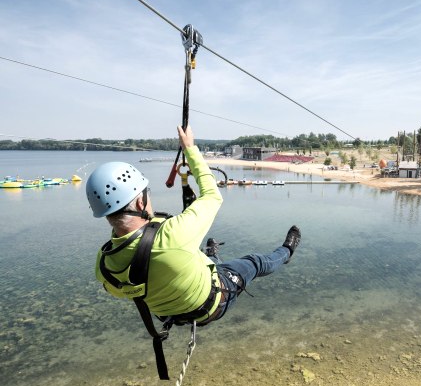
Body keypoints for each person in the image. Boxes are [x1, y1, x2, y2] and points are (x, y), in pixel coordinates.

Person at [86, 125, 301, 328]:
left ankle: (212, 252)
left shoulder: (104, 264)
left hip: (174, 315)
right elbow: (212, 195)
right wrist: (190, 149)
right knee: (254, 262)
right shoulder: (172, 236)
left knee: (201, 258)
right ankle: (286, 251)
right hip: (215, 302)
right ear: (141, 202)